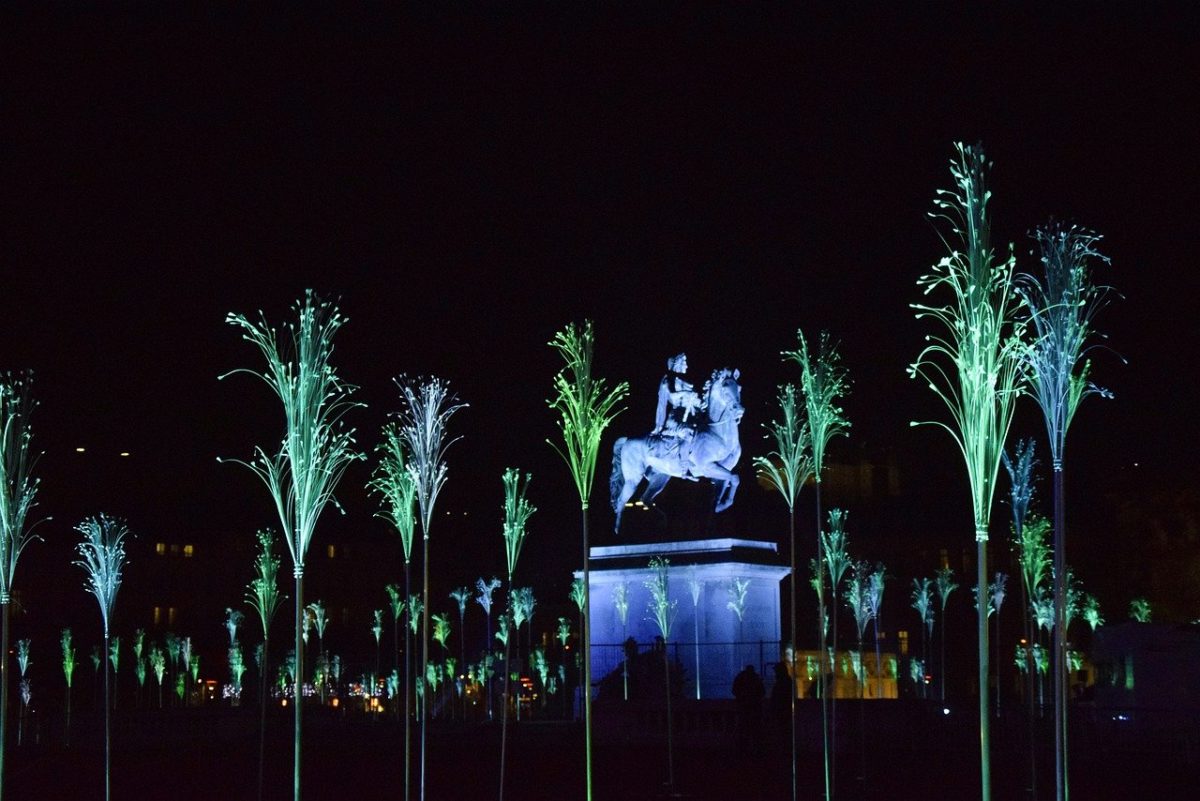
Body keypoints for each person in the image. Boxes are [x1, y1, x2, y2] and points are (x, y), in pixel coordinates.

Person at [652, 353, 701, 477]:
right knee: (688, 432)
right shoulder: (669, 379)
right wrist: (686, 393)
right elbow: (672, 396)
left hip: (689, 416)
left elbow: (693, 401)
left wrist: (699, 402)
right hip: (674, 418)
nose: (687, 366)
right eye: (684, 363)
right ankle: (684, 467)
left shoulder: (685, 380)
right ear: (677, 364)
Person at [732, 664, 765, 751]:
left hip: (744, 708)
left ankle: (743, 748)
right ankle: (756, 748)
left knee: (744, 729)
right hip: (754, 708)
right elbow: (762, 692)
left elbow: (734, 690)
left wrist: (741, 698)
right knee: (755, 730)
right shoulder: (756, 679)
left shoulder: (741, 678)